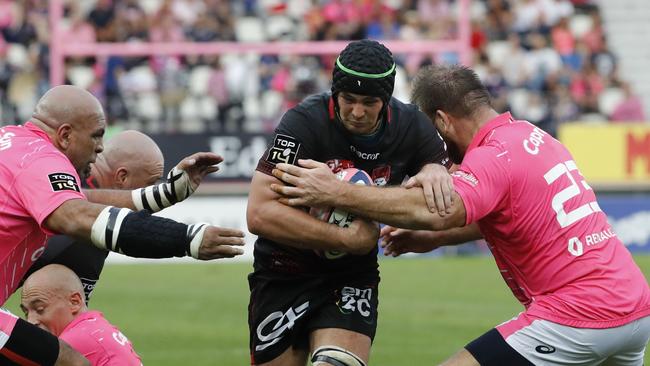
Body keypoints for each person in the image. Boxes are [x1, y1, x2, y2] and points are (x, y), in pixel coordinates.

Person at [271, 64, 650, 365]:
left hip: (578, 315)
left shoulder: (492, 157)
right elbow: (514, 215)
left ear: (441, 121)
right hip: (634, 309)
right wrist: (434, 239)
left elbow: (439, 210)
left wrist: (335, 191)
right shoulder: (536, 138)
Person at [0, 85, 245, 365]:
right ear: (66, 135)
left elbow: (83, 200)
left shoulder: (14, 141)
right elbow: (79, 215)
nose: (101, 147)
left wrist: (163, 194)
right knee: (71, 362)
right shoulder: (43, 160)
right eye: (96, 136)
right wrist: (186, 238)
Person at [246, 39, 451, 366]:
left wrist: (435, 170)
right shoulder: (302, 124)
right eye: (349, 99)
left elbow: (447, 187)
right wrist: (347, 238)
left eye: (369, 102)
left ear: (386, 98)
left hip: (350, 275)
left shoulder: (412, 126)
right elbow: (259, 213)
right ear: (335, 94)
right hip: (283, 270)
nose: (357, 112)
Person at [23, 130, 165, 303]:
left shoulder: (57, 172)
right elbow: (60, 320)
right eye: (151, 183)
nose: (154, 193)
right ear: (122, 177)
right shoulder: (88, 227)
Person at [21, 264, 142, 365]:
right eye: (26, 312)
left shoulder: (73, 342)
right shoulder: (93, 326)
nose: (31, 321)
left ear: (74, 302)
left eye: (40, 309)